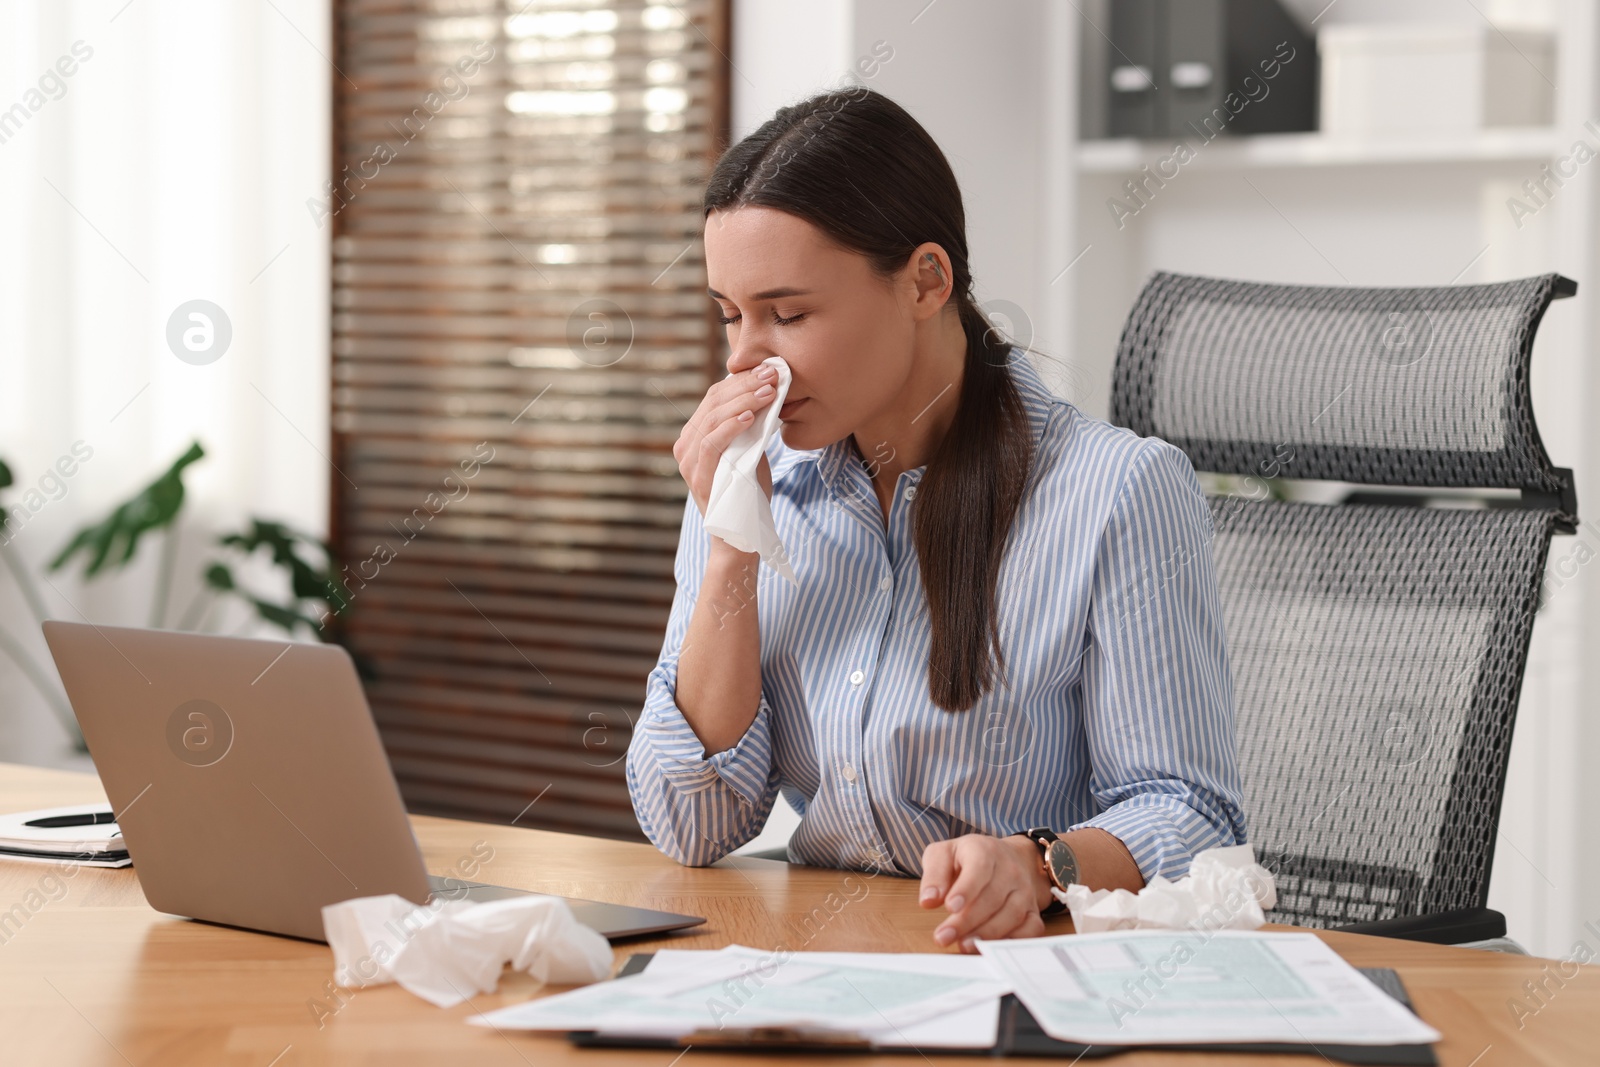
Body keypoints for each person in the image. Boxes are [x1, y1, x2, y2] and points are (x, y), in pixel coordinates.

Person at [625, 86, 1245, 953]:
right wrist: (731, 547)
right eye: (731, 316)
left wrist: (1037, 864)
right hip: (826, 960)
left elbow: (1194, 817)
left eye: (788, 314)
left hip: (1028, 971)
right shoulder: (747, 482)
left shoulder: (1116, 490)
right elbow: (691, 823)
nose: (742, 360)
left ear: (926, 280)